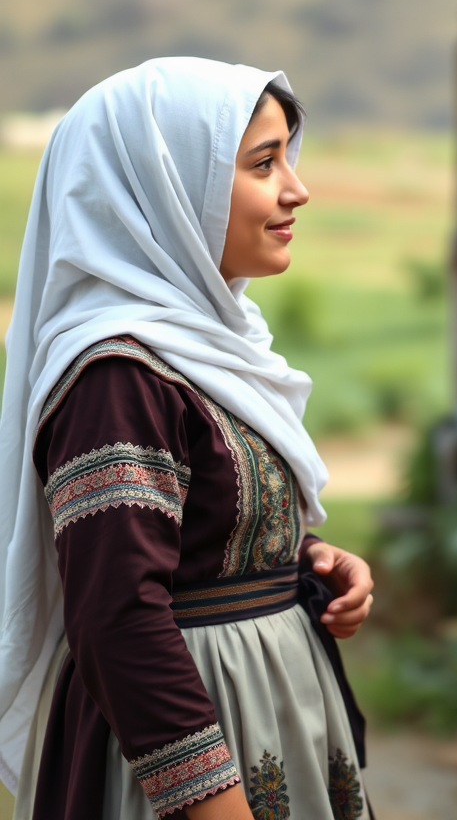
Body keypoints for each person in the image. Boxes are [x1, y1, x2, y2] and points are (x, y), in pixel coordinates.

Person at [0, 58, 374, 819]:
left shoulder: (213, 350)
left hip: (269, 711)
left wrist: (303, 562)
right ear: (165, 189)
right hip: (191, 755)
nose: (295, 189)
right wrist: (210, 801)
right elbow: (117, 616)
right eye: (264, 164)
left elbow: (195, 532)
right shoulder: (115, 379)